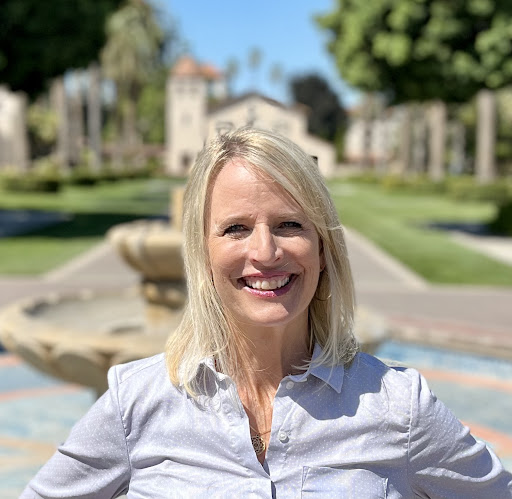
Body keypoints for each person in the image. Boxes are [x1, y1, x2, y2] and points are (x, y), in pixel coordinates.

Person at [22, 127, 512, 498]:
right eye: (236, 228)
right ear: (202, 253)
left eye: (290, 224)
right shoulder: (135, 403)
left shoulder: (400, 406)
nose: (265, 251)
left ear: (323, 248)